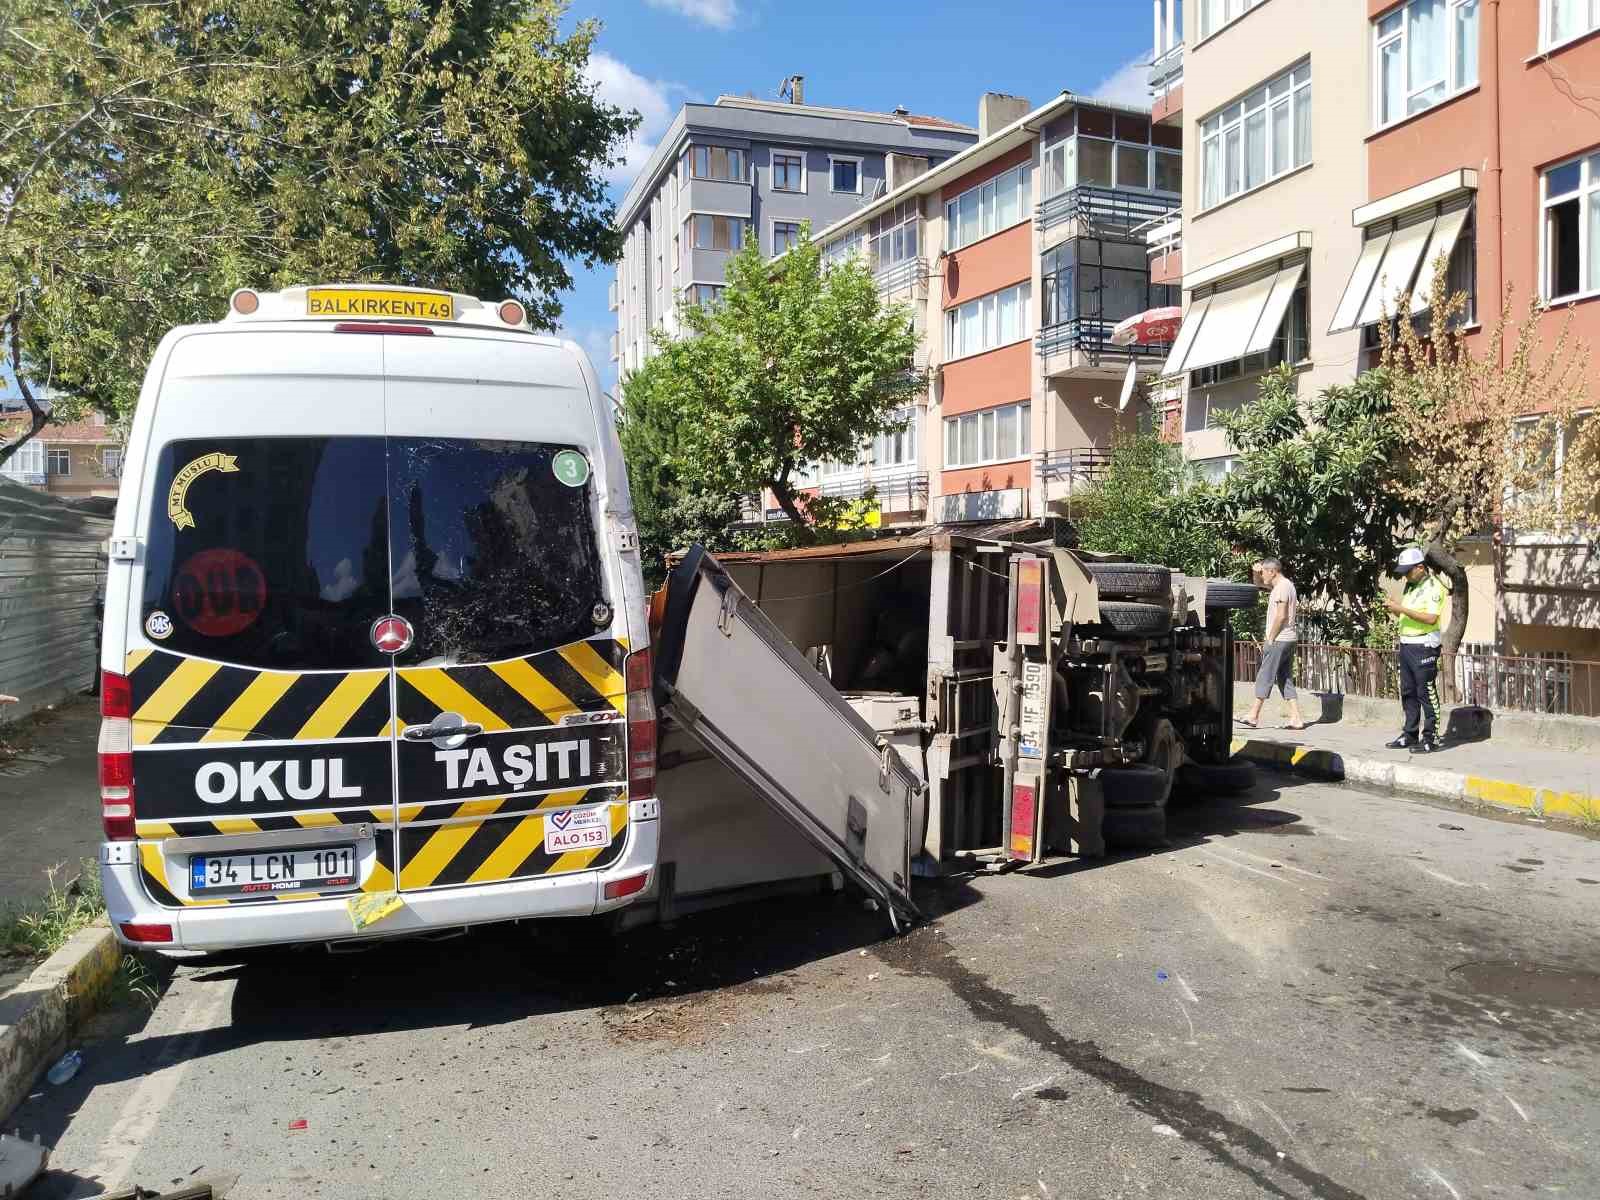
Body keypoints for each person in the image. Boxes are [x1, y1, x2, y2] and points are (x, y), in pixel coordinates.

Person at [1384, 547, 1447, 753]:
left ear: (1420, 567)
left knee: (1426, 692)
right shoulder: (1410, 586)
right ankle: (1410, 734)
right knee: (1408, 692)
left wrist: (1400, 609)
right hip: (1407, 644)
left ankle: (1431, 738)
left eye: (1408, 571)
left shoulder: (1434, 587)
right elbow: (1410, 615)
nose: (1405, 575)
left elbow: (1431, 618)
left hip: (1424, 646)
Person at [1240, 558, 1306, 731]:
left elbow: (1281, 615)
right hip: (1289, 638)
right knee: (1285, 678)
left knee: (1265, 675)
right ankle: (1296, 718)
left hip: (1280, 639)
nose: (1262, 576)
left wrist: (1270, 637)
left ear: (1272, 571)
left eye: (1263, 572)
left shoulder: (1282, 588)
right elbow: (1258, 584)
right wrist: (1255, 572)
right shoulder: (1284, 585)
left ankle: (1253, 715)